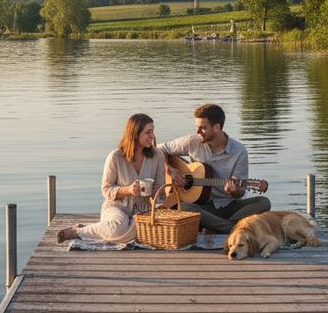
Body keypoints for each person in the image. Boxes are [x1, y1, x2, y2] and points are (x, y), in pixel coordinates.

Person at [158, 103, 270, 234]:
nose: (198, 132)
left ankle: (216, 227)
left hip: (228, 206)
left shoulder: (239, 151)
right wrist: (169, 170)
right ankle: (231, 228)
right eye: (197, 127)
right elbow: (160, 149)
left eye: (202, 128)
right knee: (183, 207)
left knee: (263, 202)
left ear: (217, 127)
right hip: (200, 206)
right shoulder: (192, 141)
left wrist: (234, 191)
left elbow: (240, 193)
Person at [57, 113, 167, 244]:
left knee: (150, 228)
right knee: (119, 227)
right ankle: (78, 232)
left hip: (145, 209)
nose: (152, 136)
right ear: (135, 134)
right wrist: (128, 190)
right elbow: (106, 190)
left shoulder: (158, 156)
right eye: (148, 132)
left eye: (153, 132)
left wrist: (155, 191)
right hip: (117, 207)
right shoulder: (115, 157)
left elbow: (161, 191)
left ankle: (99, 229)